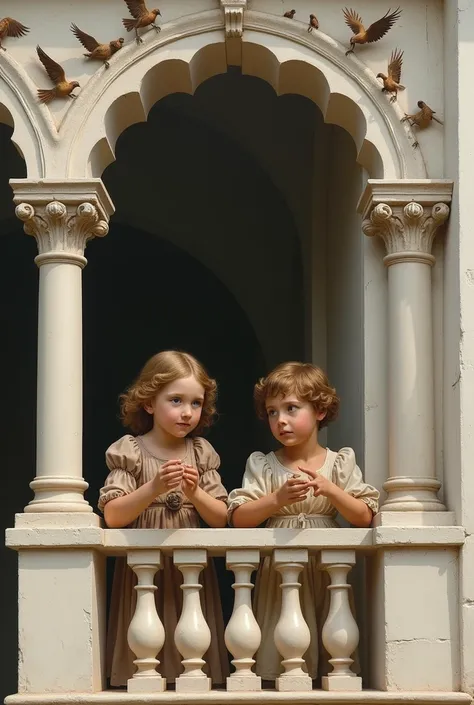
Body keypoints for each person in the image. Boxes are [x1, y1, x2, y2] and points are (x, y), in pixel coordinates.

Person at [227, 361, 379, 682]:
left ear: (320, 411)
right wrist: (276, 500)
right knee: (281, 637)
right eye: (272, 412)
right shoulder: (263, 465)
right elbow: (238, 518)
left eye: (291, 408)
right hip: (278, 565)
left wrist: (331, 491)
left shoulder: (339, 463)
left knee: (330, 633)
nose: (280, 420)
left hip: (324, 565)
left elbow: (364, 517)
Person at [99, 350, 229, 686]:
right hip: (146, 569)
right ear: (148, 402)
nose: (187, 412)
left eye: (196, 403)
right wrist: (154, 486)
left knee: (192, 638)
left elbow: (220, 518)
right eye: (176, 400)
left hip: (190, 568)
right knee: (146, 641)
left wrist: (195, 492)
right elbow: (112, 515)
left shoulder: (201, 453)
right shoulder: (131, 451)